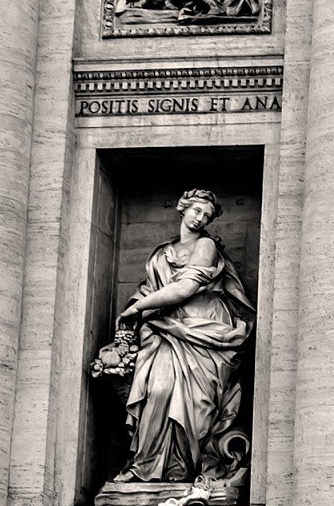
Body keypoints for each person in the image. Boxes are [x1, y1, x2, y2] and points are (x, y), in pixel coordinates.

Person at [109, 189, 254, 485]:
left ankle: (182, 468)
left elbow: (185, 289)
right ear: (182, 208)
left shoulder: (206, 246)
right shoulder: (162, 254)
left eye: (207, 216)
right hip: (165, 329)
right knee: (158, 391)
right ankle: (146, 465)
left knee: (196, 403)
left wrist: (137, 309)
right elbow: (151, 289)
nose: (200, 218)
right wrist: (133, 310)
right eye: (196, 211)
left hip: (203, 329)